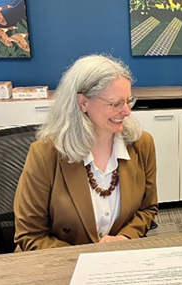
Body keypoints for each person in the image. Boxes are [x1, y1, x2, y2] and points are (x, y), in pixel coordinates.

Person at [14, 54, 158, 251]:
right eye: (115, 103)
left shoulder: (142, 144)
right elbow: (30, 235)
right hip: (59, 265)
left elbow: (147, 209)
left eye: (128, 101)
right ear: (83, 103)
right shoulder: (45, 154)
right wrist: (87, 256)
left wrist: (125, 238)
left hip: (117, 260)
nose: (126, 112)